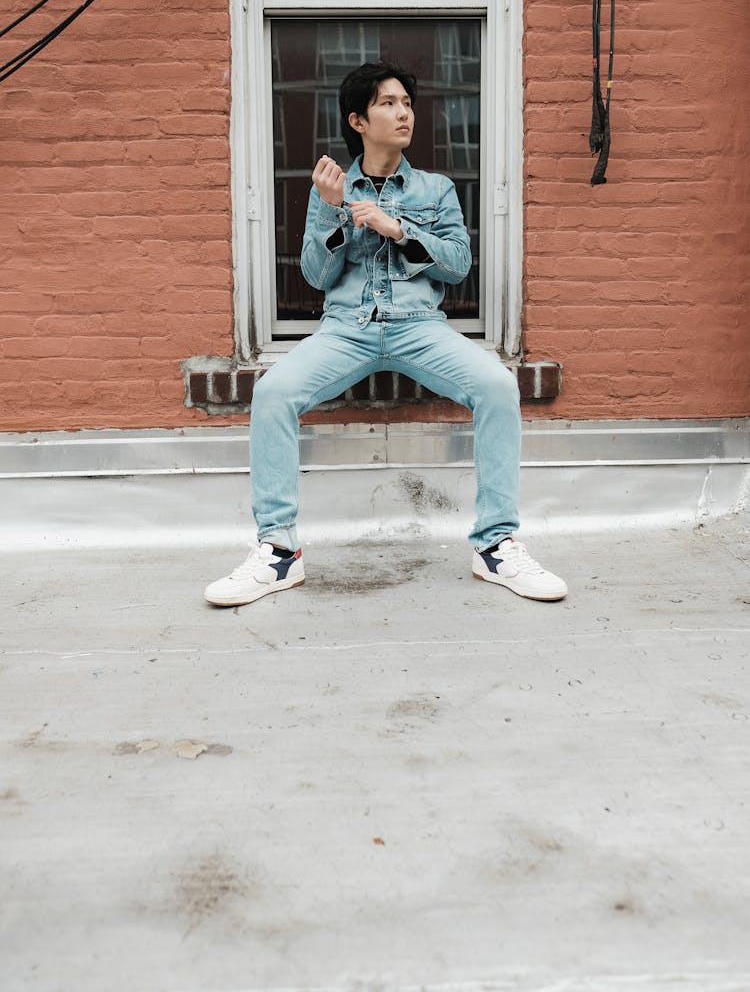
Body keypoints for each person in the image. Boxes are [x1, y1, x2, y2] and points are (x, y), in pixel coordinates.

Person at [205, 61, 567, 607]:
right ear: (358, 120)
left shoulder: (435, 188)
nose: (403, 113)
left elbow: (459, 264)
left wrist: (396, 228)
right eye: (388, 104)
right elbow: (315, 278)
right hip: (346, 329)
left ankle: (496, 544)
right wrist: (332, 215)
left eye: (407, 103)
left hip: (420, 328)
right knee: (275, 392)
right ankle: (279, 553)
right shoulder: (331, 187)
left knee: (496, 386)